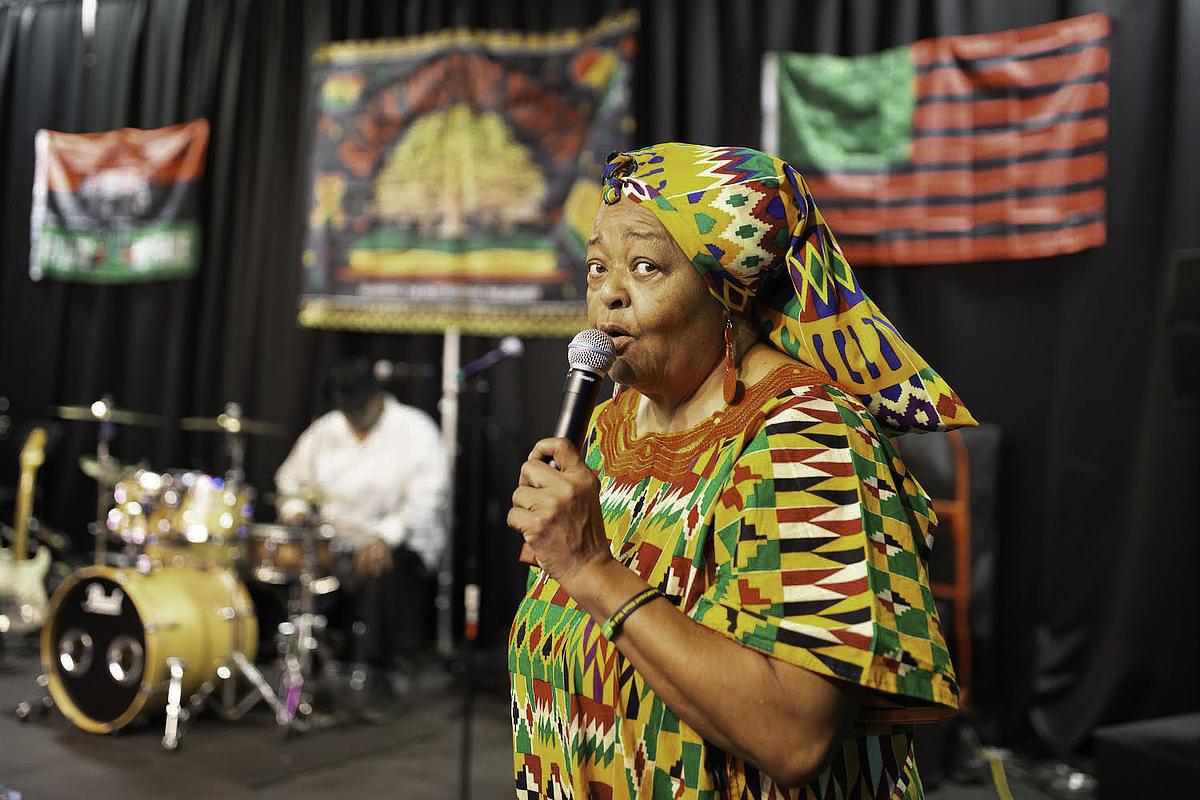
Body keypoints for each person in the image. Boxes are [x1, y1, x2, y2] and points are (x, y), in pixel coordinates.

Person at [506, 143, 976, 799]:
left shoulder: (808, 442)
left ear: (729, 292)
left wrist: (591, 569)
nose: (608, 294)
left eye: (645, 267)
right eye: (596, 267)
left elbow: (793, 736)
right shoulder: (609, 431)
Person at [274, 355, 448, 677]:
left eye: (358, 408)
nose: (352, 417)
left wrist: (384, 537)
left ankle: (374, 673)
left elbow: (426, 501)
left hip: (396, 541)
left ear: (377, 397)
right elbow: (290, 481)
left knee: (380, 569)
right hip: (333, 541)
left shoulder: (415, 430)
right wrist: (296, 512)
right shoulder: (325, 430)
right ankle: (304, 665)